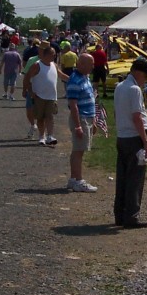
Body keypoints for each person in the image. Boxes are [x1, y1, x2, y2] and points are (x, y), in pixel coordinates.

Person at [113, 58, 147, 228]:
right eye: (145, 76)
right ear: (139, 73)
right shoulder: (135, 89)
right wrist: (145, 141)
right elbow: (137, 117)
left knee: (122, 178)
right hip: (134, 137)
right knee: (135, 180)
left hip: (122, 136)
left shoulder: (119, 87)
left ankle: (119, 214)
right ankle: (131, 216)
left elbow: (116, 112)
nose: (145, 81)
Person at [66, 53, 98, 192]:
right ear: (81, 64)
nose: (93, 66)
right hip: (81, 118)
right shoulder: (75, 80)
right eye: (91, 64)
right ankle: (79, 180)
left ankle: (73, 179)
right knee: (79, 150)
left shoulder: (85, 77)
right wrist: (78, 125)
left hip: (88, 117)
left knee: (78, 150)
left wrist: (94, 121)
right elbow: (73, 105)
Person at [22, 45, 66, 145]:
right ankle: (42, 136)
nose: (54, 56)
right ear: (46, 55)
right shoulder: (37, 65)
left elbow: (61, 75)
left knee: (50, 116)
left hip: (51, 96)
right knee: (40, 118)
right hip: (39, 96)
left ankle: (50, 136)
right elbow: (27, 78)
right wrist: (29, 91)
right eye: (52, 54)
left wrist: (72, 79)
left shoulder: (54, 65)